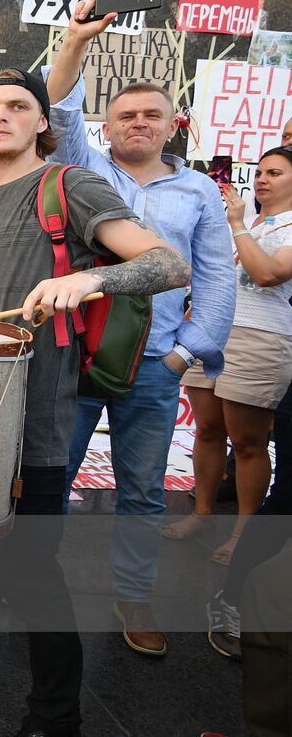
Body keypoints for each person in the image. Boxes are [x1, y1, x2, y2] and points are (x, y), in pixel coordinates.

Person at [0, 66, 190, 737]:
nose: (0, 115)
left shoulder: (68, 186)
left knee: (29, 560)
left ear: (40, 123)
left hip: (38, 410)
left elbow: (168, 264)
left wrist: (90, 281)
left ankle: (57, 711)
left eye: (17, 105)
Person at [44, 0, 235, 657]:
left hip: (154, 365)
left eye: (151, 114)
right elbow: (60, 105)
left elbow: (216, 277)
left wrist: (188, 352)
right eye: (126, 114)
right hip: (76, 356)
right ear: (110, 124)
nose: (138, 123)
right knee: (49, 480)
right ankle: (36, 588)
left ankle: (134, 593)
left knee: (145, 490)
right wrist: (76, 38)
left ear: (173, 122)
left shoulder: (200, 191)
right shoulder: (84, 166)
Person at [166, 146, 292, 565]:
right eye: (259, 172)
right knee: (207, 431)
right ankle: (202, 513)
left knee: (248, 442)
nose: (261, 180)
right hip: (212, 329)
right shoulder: (250, 221)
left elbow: (268, 274)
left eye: (274, 172)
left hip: (261, 337)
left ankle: (243, 532)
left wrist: (236, 225)